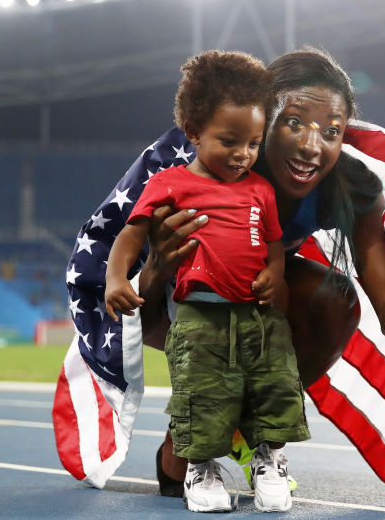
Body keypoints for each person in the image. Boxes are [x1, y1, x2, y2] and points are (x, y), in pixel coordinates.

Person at [110, 47, 385, 496]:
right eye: (294, 123)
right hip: (167, 296)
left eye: (332, 131)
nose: (314, 147)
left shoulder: (349, 185)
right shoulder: (199, 168)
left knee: (333, 299)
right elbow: (141, 310)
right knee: (183, 445)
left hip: (254, 294)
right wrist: (155, 268)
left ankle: (257, 439)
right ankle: (192, 440)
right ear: (261, 116)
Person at [105, 50, 309, 512]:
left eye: (254, 143)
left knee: (276, 383)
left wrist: (275, 274)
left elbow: (274, 242)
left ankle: (270, 459)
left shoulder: (260, 189)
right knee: (202, 393)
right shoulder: (168, 184)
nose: (243, 154)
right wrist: (116, 277)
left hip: (259, 315)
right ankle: (201, 467)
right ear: (194, 133)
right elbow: (130, 235)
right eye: (229, 141)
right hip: (199, 313)